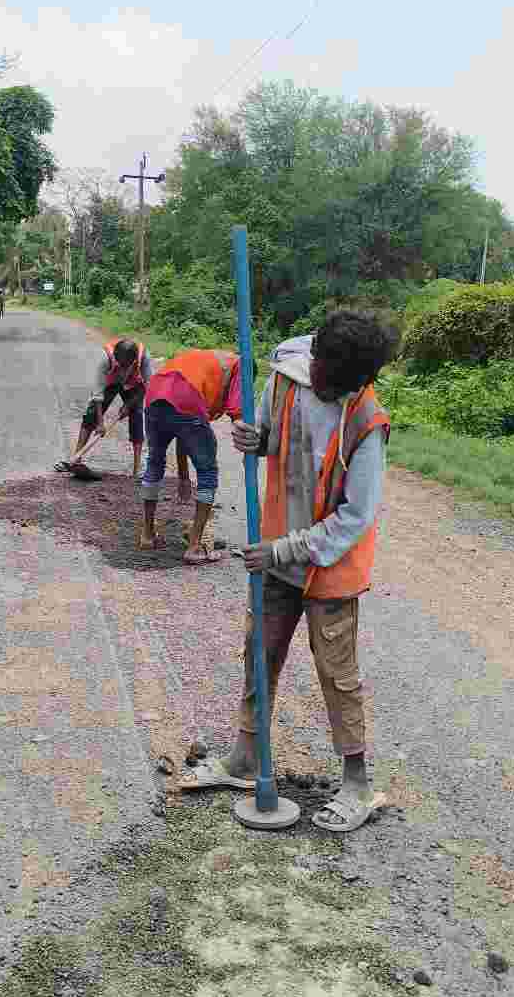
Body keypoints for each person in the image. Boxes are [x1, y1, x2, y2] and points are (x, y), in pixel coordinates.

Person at [183, 311, 397, 832]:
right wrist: (255, 439)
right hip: (276, 546)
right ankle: (245, 760)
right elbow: (273, 435)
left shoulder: (367, 422)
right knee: (261, 653)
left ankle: (357, 785)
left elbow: (356, 516)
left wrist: (283, 550)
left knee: (337, 673)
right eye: (324, 376)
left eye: (342, 386)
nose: (327, 389)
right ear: (316, 356)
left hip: (328, 566)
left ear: (361, 381)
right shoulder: (286, 372)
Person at [139, 347, 242, 564]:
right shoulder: (241, 366)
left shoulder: (200, 357)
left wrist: (184, 476)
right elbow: (236, 409)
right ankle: (195, 546)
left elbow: (181, 432)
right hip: (187, 396)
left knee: (155, 463)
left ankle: (147, 535)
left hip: (155, 392)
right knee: (207, 472)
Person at [72, 337, 154, 478]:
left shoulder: (144, 358)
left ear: (134, 361)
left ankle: (136, 469)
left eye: (125, 365)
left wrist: (128, 405)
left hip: (134, 385)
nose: (122, 368)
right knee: (91, 414)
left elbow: (148, 386)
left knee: (137, 416)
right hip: (111, 382)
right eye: (119, 364)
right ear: (115, 358)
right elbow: (97, 393)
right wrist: (100, 423)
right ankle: (76, 459)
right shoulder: (106, 359)